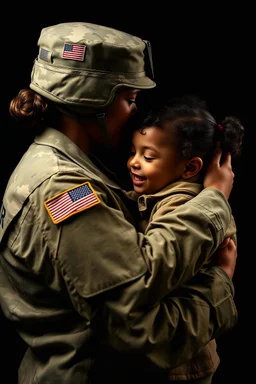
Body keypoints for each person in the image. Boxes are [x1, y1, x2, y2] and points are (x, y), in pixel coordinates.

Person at [0, 22, 237, 384]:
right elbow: (138, 310)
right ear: (95, 101)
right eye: (129, 100)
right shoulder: (60, 190)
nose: (134, 113)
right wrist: (215, 207)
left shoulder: (68, 171)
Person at [127, 94, 244, 383]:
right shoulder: (163, 194)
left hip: (181, 363)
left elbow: (159, 259)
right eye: (133, 152)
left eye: (148, 156)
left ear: (190, 168)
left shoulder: (181, 203)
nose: (134, 163)